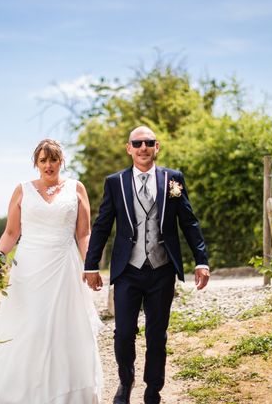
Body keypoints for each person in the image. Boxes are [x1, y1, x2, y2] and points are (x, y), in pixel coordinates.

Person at [83, 126, 210, 404]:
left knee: (156, 334)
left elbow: (188, 222)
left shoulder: (173, 180)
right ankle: (125, 381)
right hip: (128, 270)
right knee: (124, 332)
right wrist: (91, 265)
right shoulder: (115, 182)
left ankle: (153, 391)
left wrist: (201, 260)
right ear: (129, 148)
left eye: (149, 143)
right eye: (137, 143)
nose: (143, 147)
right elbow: (103, 225)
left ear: (157, 147)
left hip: (162, 270)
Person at [0, 139, 102, 404]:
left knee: (64, 327)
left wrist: (89, 265)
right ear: (36, 163)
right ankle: (19, 391)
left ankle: (65, 392)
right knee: (29, 326)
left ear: (61, 161)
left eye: (53, 159)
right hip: (29, 267)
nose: (48, 165)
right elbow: (11, 233)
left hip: (65, 266)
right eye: (43, 160)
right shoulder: (22, 190)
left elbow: (83, 233)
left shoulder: (76, 188)